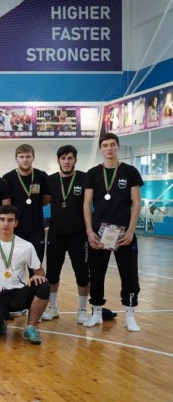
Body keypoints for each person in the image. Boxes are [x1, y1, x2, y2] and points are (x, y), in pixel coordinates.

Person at [83, 133, 143, 332]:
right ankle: (96, 313)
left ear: (118, 147)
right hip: (99, 234)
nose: (109, 148)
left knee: (130, 274)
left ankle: (130, 316)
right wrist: (89, 231)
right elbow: (87, 203)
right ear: (101, 148)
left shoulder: (130, 171)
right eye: (105, 145)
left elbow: (136, 202)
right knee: (96, 274)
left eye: (112, 145)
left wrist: (131, 230)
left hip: (124, 234)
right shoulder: (92, 173)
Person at [0, 206, 50, 344]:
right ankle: (1, 320)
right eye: (2, 219)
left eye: (10, 220)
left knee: (43, 284)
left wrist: (36, 276)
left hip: (17, 294)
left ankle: (30, 327)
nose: (5, 224)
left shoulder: (26, 246)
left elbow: (40, 271)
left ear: (16, 223)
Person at [44, 145, 90, 322]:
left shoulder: (84, 178)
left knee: (82, 272)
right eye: (63, 158)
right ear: (58, 161)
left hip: (79, 234)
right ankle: (53, 307)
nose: (67, 161)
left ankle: (83, 309)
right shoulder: (50, 180)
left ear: (75, 159)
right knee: (52, 273)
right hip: (56, 233)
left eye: (70, 158)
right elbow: (43, 201)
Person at [2, 144, 50, 262]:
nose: (25, 159)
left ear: (33, 158)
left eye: (28, 156)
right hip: (16, 228)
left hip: (36, 228)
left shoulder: (42, 176)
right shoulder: (8, 178)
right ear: (16, 159)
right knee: (14, 265)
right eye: (21, 157)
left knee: (36, 264)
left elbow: (46, 200)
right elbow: (6, 206)